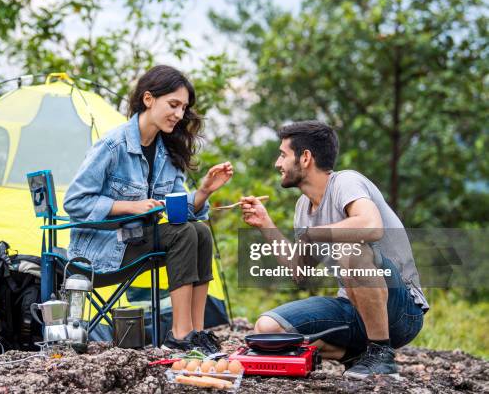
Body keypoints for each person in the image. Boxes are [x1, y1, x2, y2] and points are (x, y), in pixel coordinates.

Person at [239, 121, 429, 379]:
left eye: (283, 155)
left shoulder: (346, 182)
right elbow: (299, 272)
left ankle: (381, 355)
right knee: (267, 329)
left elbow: (372, 227)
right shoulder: (302, 208)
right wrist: (266, 224)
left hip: (400, 311)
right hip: (352, 309)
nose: (278, 163)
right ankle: (355, 356)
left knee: (350, 246)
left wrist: (312, 234)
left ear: (305, 157)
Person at [64, 65, 233, 354]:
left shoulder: (166, 152)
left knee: (200, 231)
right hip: (102, 250)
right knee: (183, 233)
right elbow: (75, 202)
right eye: (174, 105)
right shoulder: (114, 145)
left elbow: (181, 210)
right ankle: (178, 336)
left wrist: (204, 191)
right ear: (148, 99)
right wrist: (131, 205)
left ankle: (196, 331)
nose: (179, 114)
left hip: (137, 242)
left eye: (183, 108)